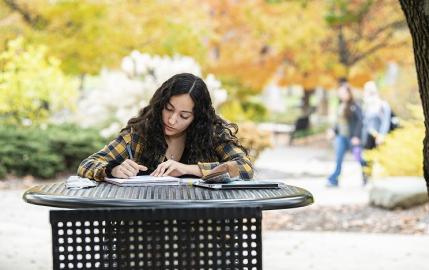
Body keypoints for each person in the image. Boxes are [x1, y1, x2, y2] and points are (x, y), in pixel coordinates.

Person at [77, 73, 254, 181]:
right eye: (168, 109)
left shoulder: (212, 133)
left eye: (184, 116)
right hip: (148, 225)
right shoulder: (139, 135)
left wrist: (189, 169)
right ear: (160, 104)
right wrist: (113, 169)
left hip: (201, 225)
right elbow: (87, 165)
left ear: (197, 117)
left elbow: (245, 167)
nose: (171, 120)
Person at [326, 84, 364, 187]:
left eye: (344, 93)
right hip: (341, 137)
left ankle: (366, 175)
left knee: (359, 157)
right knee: (339, 158)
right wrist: (333, 131)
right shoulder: (340, 105)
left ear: (349, 93)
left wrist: (356, 136)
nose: (342, 95)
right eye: (340, 93)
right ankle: (334, 179)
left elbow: (360, 122)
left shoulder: (355, 106)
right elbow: (338, 123)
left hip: (352, 138)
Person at [361, 81, 392, 149]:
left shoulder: (382, 105)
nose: (364, 93)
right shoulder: (366, 106)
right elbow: (365, 124)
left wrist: (382, 135)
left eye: (366, 90)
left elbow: (386, 121)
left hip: (378, 139)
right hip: (367, 139)